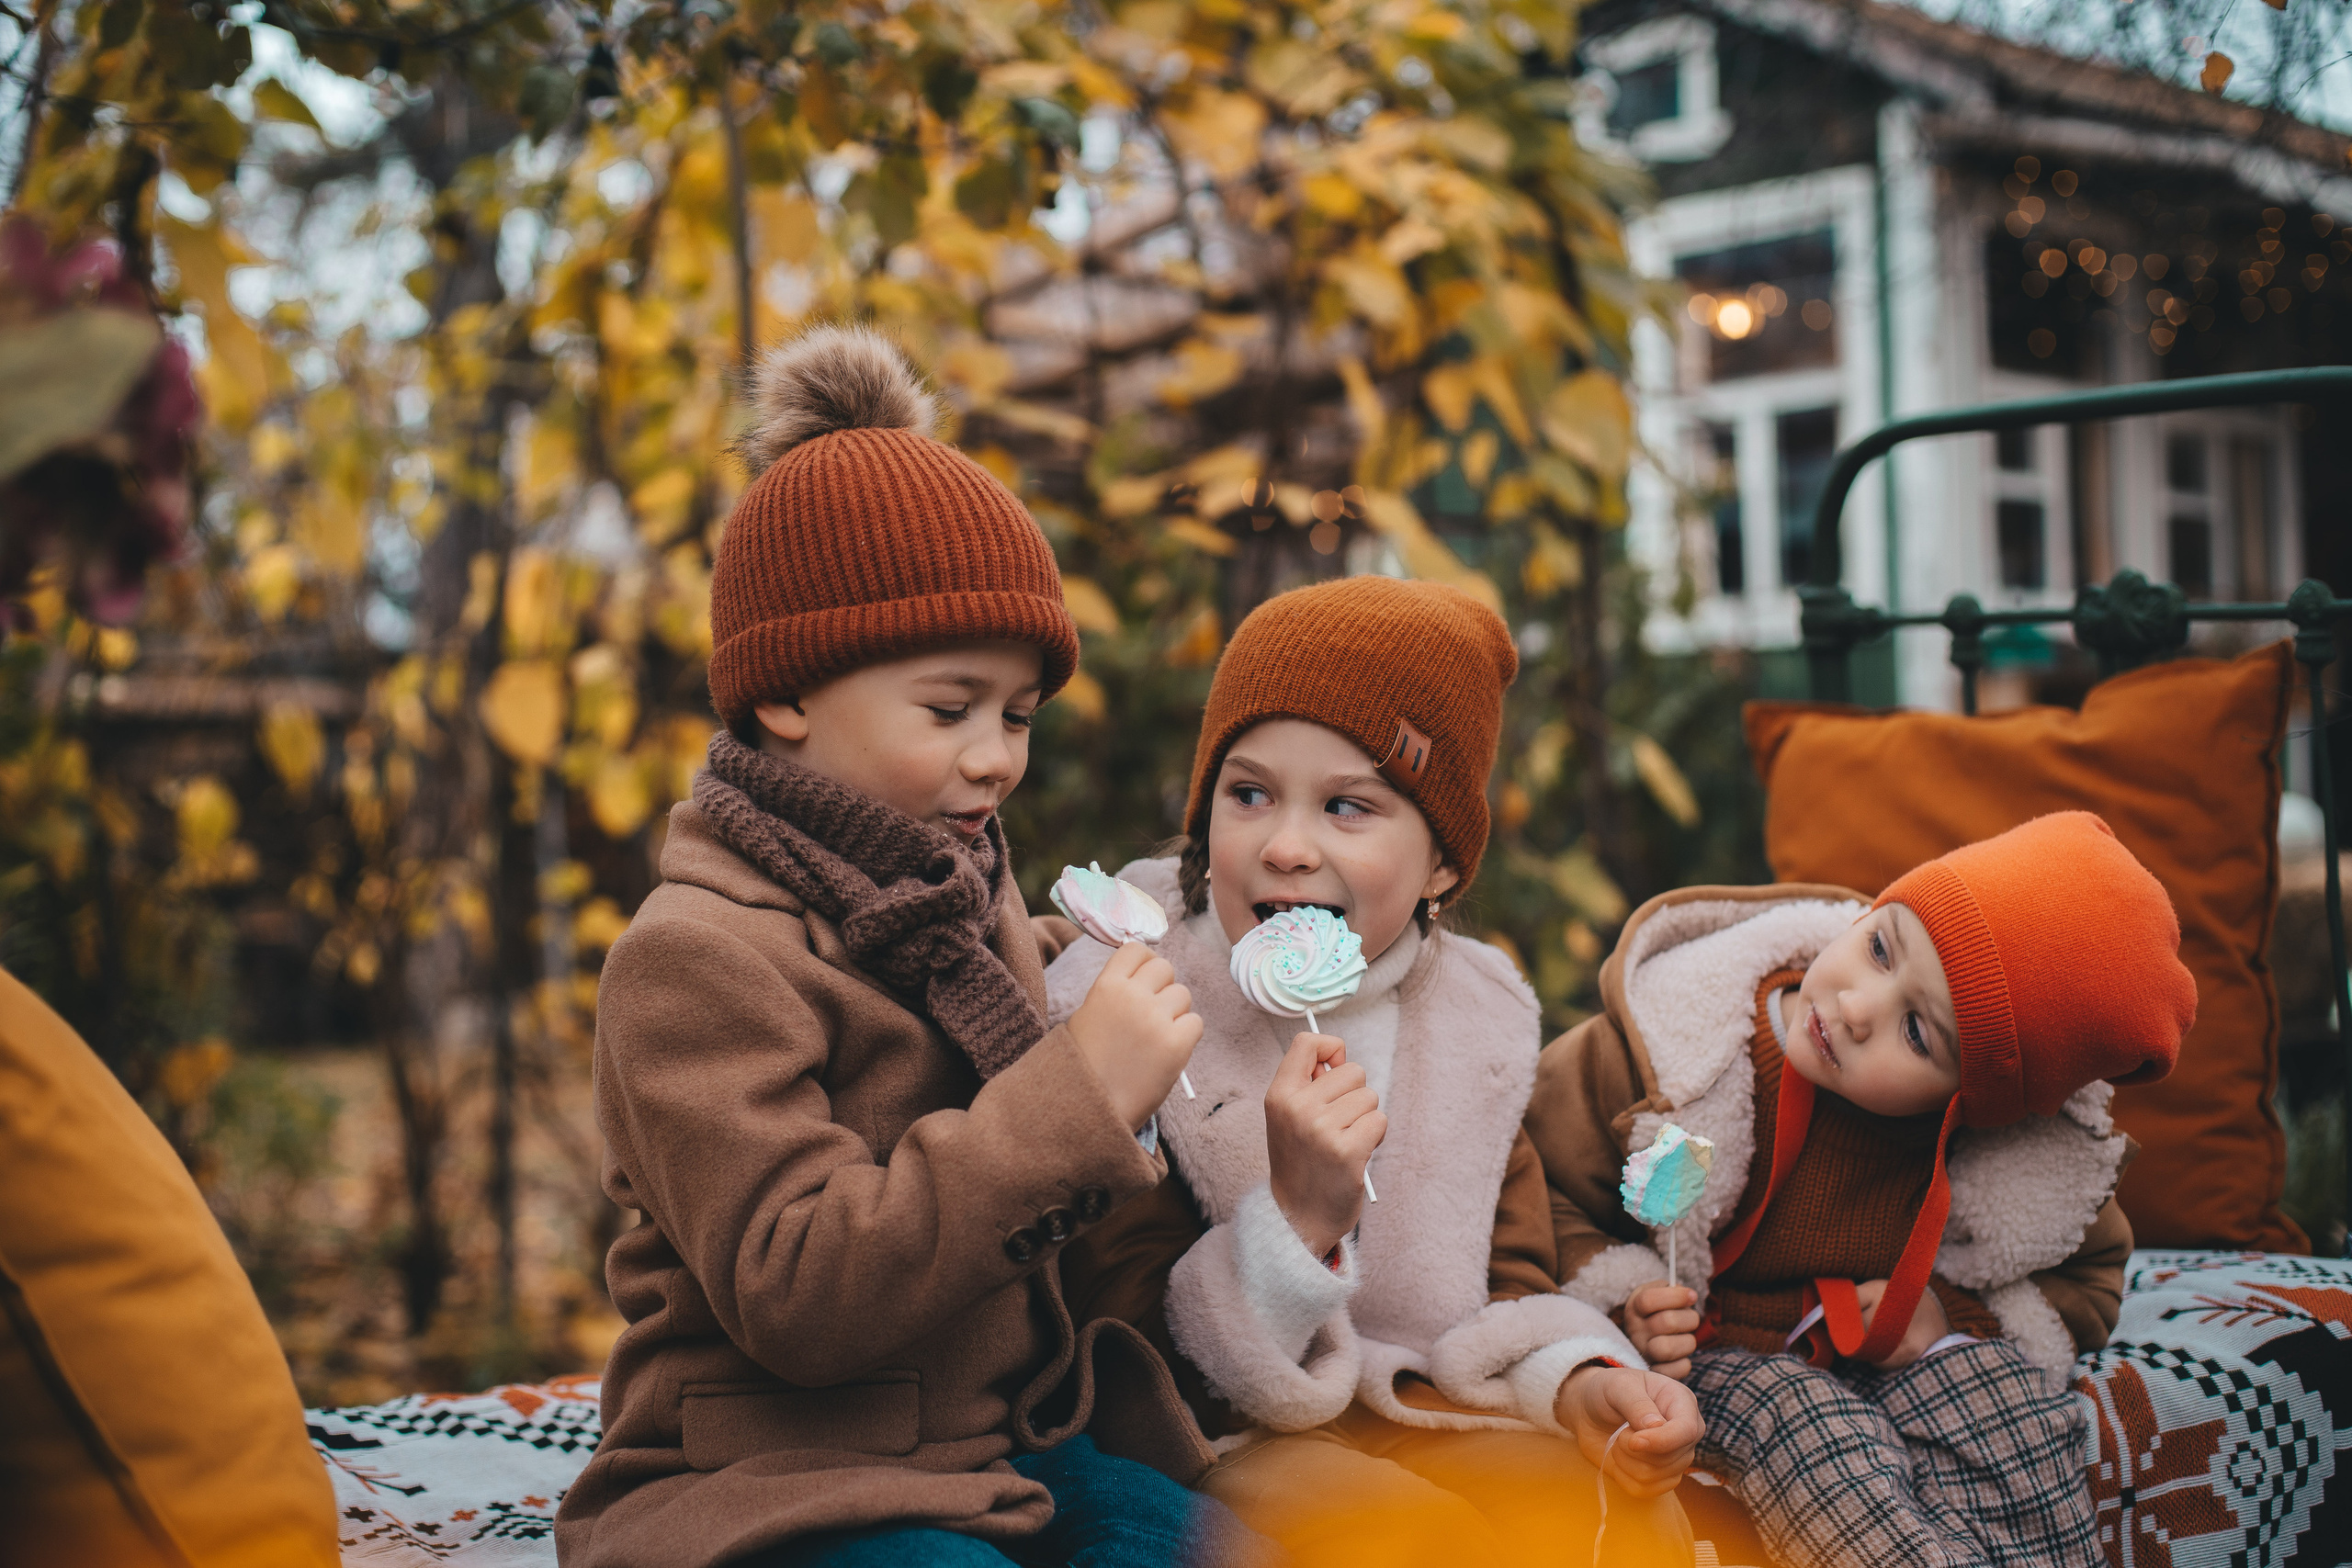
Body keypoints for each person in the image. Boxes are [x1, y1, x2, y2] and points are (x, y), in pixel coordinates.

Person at [555, 325, 1258, 1568]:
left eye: (1019, 715)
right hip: (779, 1469)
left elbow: (1027, 1033)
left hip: (998, 1442)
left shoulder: (959, 896)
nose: (996, 754)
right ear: (788, 693)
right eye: (951, 708)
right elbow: (800, 1290)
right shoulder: (691, 963)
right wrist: (1075, 1092)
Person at [1048, 576, 1701, 1568]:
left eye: (1349, 806)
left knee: (1610, 1519)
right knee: (1408, 1540)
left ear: (1441, 864)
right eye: (1249, 793)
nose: (1287, 845)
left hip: (1413, 1400)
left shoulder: (1469, 1024)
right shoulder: (1138, 997)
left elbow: (1503, 1288)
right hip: (1215, 1433)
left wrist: (1577, 1380)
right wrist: (1298, 1217)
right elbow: (1119, 1324)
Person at [1525, 811, 2191, 1568]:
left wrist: (1948, 1320)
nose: (1856, 1007)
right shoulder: (1670, 1061)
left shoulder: (2021, 1158)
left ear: (1972, 1100)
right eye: (1879, 949)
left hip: (1881, 1350)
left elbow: (2083, 1280)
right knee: (1820, 1432)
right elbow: (1542, 1191)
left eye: (1917, 1032)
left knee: (2019, 1420)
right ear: (1876, 909)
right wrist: (1627, 1301)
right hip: (1714, 1347)